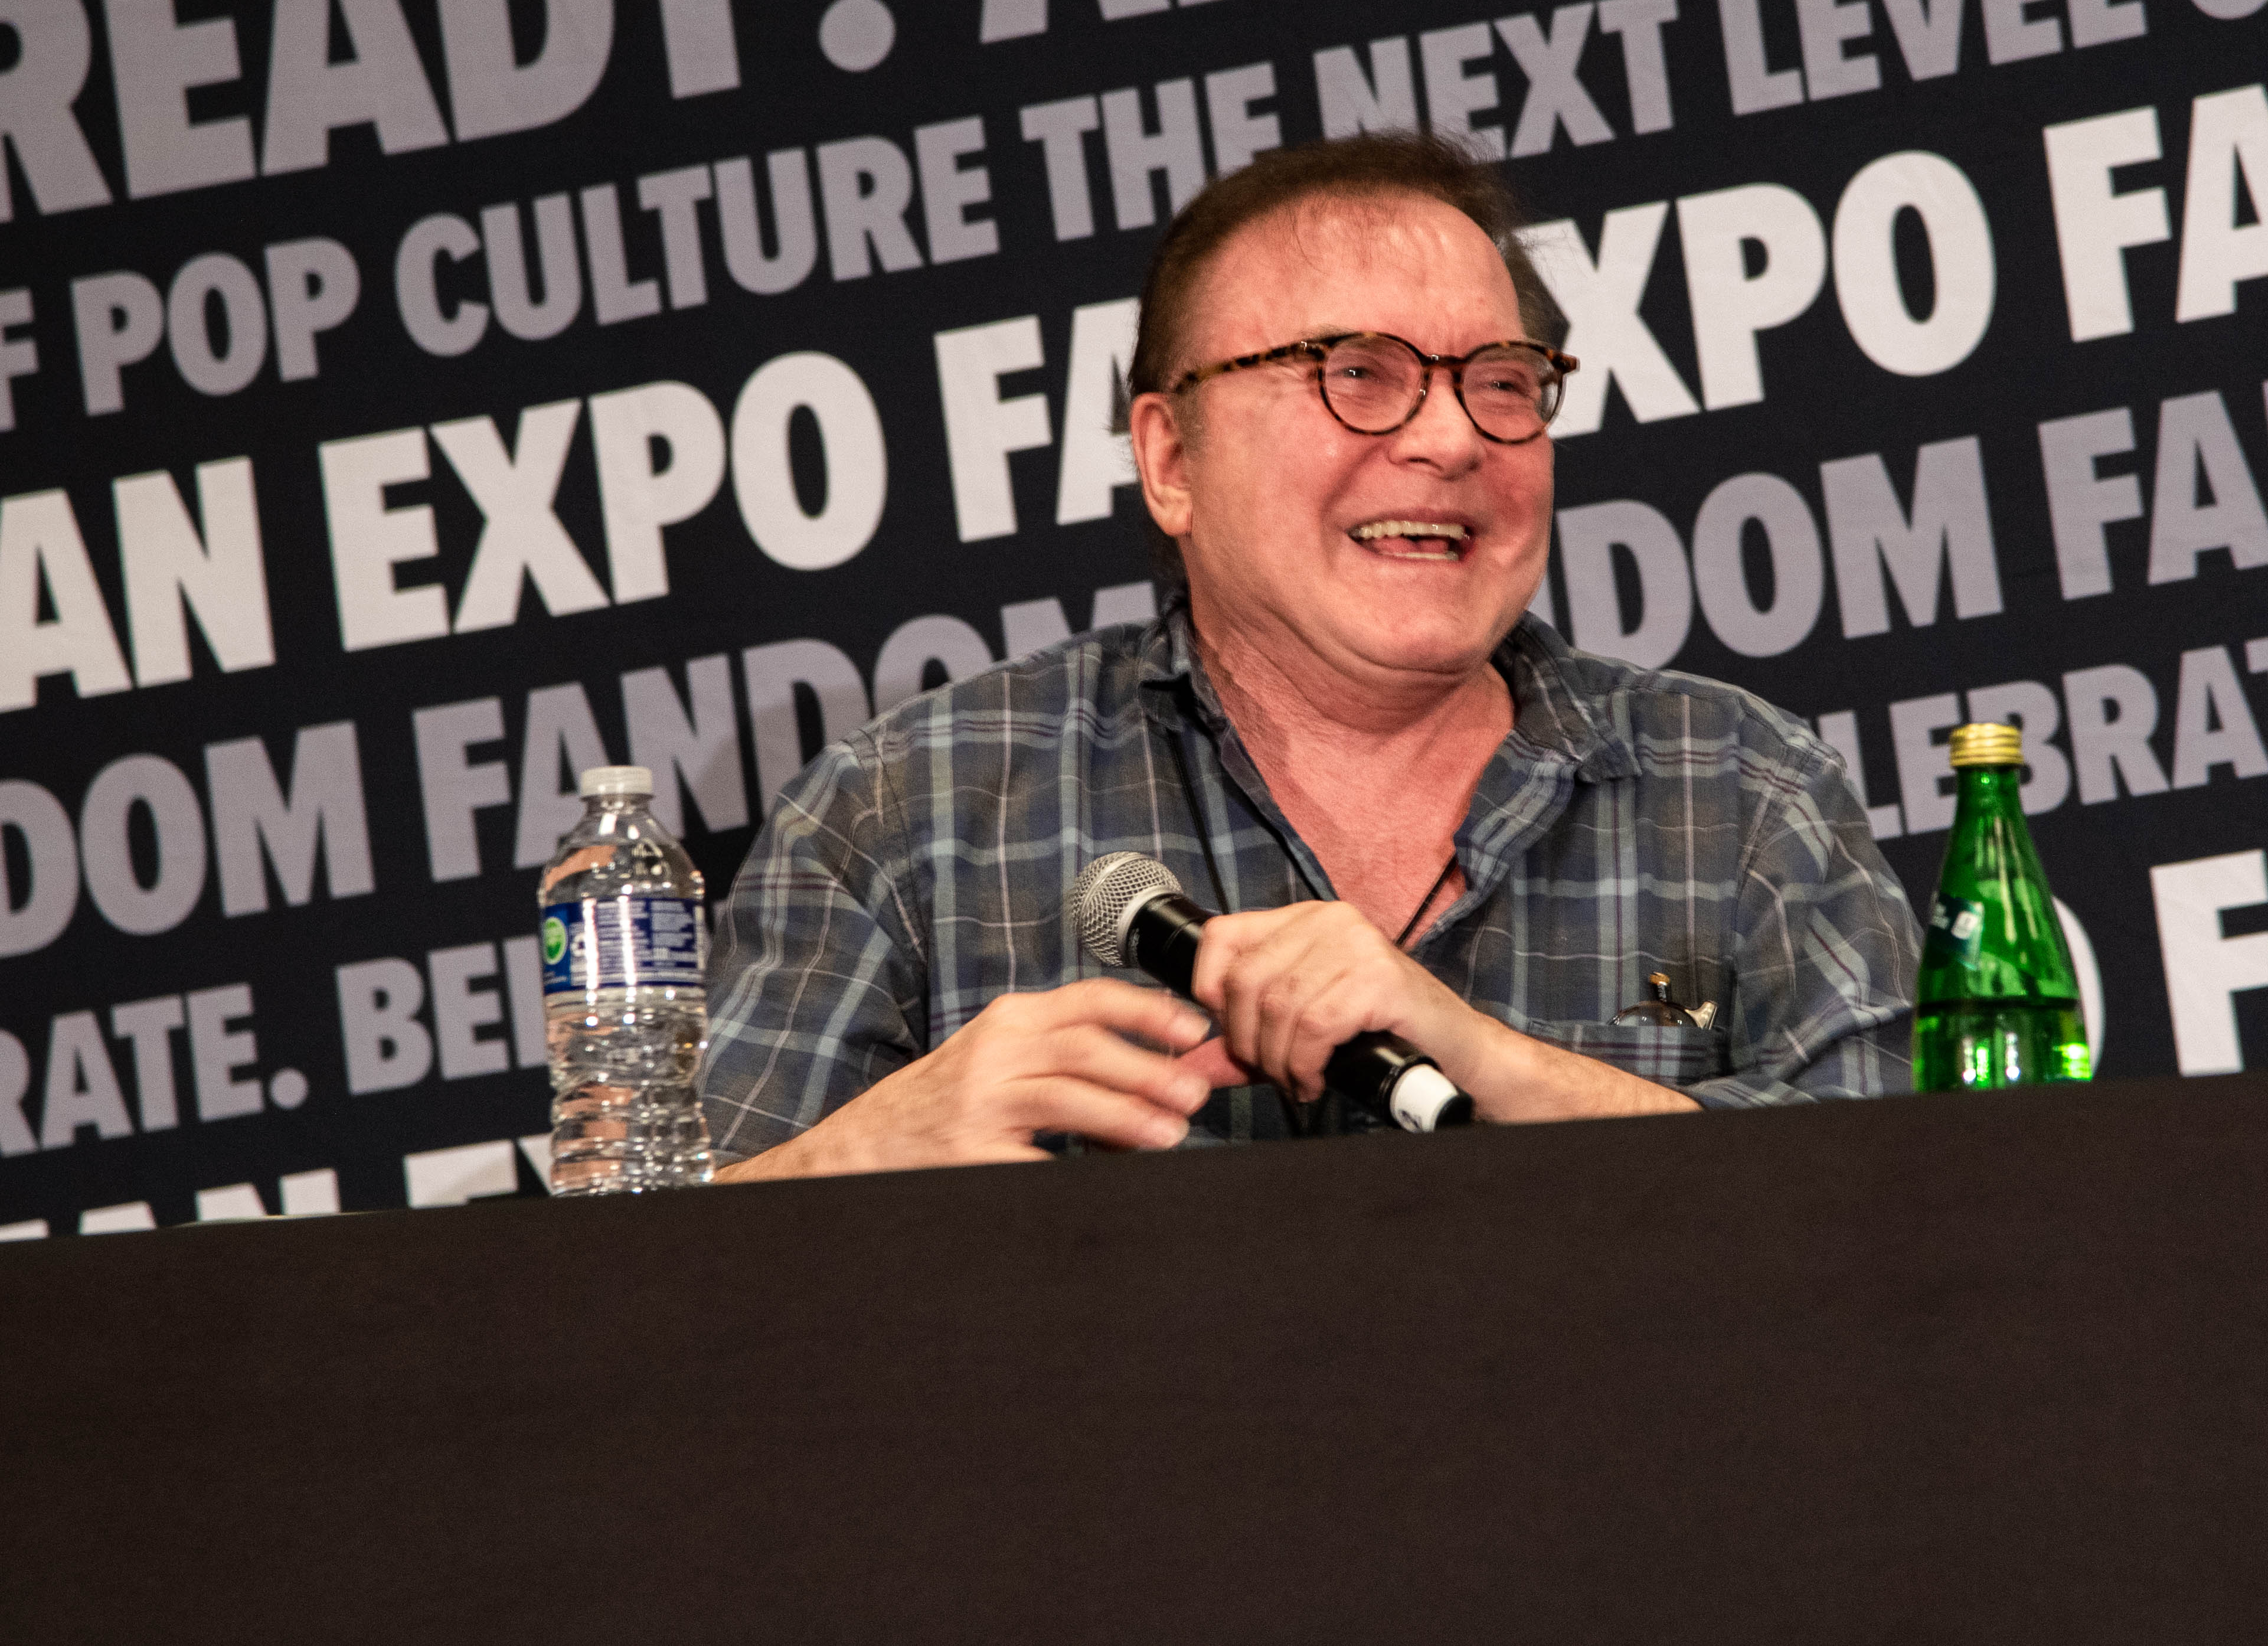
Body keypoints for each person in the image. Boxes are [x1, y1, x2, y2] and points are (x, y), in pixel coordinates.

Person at [704, 132, 1916, 1177]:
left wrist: (1496, 1069)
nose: (1451, 438)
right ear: (1170, 458)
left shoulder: (1741, 791)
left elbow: (1921, 1213)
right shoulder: (906, 818)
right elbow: (654, 1306)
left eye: (1501, 383)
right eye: (1358, 375)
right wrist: (850, 1163)